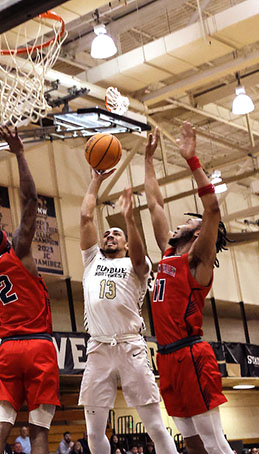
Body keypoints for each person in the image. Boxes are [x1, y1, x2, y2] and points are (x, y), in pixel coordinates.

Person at [144, 122, 232, 454]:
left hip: (192, 354)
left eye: (190, 221)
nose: (182, 221)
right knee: (192, 444)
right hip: (166, 357)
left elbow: (212, 209)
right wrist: (148, 160)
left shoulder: (198, 262)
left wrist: (192, 160)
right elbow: (154, 204)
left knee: (214, 441)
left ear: (199, 234)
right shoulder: (168, 254)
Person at [0, 126, 60, 454]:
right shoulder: (20, 254)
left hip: (7, 351)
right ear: (6, 242)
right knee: (38, 431)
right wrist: (20, 154)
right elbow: (31, 201)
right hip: (37, 346)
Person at [78, 169, 178, 454]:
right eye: (107, 233)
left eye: (116, 234)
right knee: (93, 431)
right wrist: (96, 179)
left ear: (125, 243)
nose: (109, 236)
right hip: (98, 347)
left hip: (130, 345)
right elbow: (86, 218)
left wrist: (130, 220)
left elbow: (139, 254)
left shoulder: (137, 264)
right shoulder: (91, 260)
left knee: (155, 425)